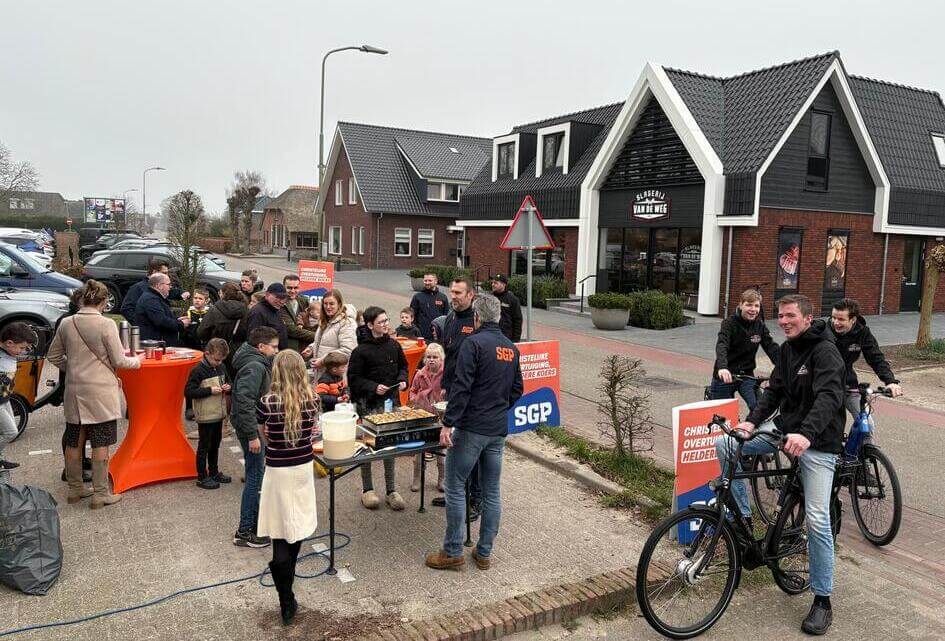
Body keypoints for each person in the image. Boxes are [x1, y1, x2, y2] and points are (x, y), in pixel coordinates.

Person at [720, 294, 845, 635]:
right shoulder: (788, 350)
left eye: (790, 315)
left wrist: (806, 434)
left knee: (817, 519)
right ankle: (743, 521)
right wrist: (751, 421)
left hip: (818, 441)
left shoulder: (825, 351)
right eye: (781, 315)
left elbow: (829, 397)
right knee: (727, 444)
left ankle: (822, 600)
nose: (784, 321)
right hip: (784, 429)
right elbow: (773, 393)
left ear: (808, 318)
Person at [425, 294, 523, 571]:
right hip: (497, 430)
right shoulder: (510, 348)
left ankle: (453, 551)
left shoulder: (473, 343)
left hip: (471, 428)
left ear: (477, 317)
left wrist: (448, 423)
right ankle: (484, 552)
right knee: (492, 491)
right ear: (499, 317)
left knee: (455, 486)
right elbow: (517, 389)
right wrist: (497, 408)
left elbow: (462, 387)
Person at [47, 280, 144, 507]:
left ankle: (75, 489)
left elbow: (53, 356)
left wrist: (73, 368)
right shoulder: (106, 324)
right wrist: (138, 361)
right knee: (101, 442)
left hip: (74, 389)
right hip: (100, 391)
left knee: (74, 440)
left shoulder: (67, 323)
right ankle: (100, 494)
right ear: (103, 301)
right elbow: (119, 360)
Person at [256, 350, 319, 626]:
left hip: (278, 470)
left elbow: (265, 436)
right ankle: (286, 586)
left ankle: (285, 595)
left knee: (280, 528)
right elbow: (313, 434)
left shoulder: (266, 403)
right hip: (302, 468)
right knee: (298, 526)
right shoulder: (313, 400)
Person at [346, 306, 408, 510]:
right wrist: (373, 387)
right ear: (370, 325)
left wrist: (403, 380)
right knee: (368, 447)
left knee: (390, 445)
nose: (386, 324)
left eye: (386, 320)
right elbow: (354, 379)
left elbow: (403, 366)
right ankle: (368, 490)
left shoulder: (394, 345)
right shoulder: (360, 351)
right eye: (381, 322)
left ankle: (391, 490)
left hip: (391, 403)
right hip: (369, 405)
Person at [433, 276, 479, 514]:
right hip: (452, 390)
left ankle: (474, 499)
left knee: (470, 449)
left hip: (470, 394)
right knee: (453, 444)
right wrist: (444, 384)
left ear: (471, 295)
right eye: (451, 292)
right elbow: (449, 355)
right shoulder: (450, 317)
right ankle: (455, 494)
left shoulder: (477, 321)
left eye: (458, 293)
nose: (453, 297)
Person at [231, 326, 280, 548]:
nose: (276, 351)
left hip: (252, 428)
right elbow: (245, 401)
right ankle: (245, 531)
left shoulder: (254, 361)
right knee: (255, 477)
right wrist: (253, 435)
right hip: (251, 430)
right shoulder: (255, 366)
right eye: (274, 347)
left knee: (256, 474)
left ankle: (256, 523)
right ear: (261, 347)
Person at [827, 298, 903, 417]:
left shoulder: (862, 332)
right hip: (824, 385)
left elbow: (876, 357)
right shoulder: (823, 332)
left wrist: (890, 381)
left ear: (853, 319)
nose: (836, 322)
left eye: (841, 319)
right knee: (826, 422)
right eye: (833, 317)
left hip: (848, 383)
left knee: (865, 421)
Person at [709, 288, 780, 410]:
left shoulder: (760, 326)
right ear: (741, 305)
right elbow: (722, 345)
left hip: (747, 375)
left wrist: (784, 366)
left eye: (756, 306)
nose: (753, 309)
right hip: (726, 375)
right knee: (723, 414)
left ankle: (749, 423)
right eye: (749, 305)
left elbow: (771, 347)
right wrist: (722, 367)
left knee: (759, 409)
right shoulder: (729, 323)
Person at [184, 338, 232, 490]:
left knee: (215, 444)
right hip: (205, 415)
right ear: (207, 354)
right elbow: (189, 391)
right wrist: (209, 390)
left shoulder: (221, 367)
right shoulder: (198, 370)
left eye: (221, 360)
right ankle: (202, 476)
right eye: (216, 360)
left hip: (218, 413)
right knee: (204, 445)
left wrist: (228, 386)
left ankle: (214, 471)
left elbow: (229, 381)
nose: (218, 363)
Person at [408, 342, 446, 493]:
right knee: (419, 449)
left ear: (441, 359)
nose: (431, 360)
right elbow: (412, 391)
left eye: (435, 357)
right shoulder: (420, 374)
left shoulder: (446, 374)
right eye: (429, 357)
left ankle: (442, 479)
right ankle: (417, 478)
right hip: (422, 415)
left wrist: (445, 394)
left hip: (440, 415)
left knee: (441, 449)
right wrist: (417, 398)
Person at [0, 322, 37, 471]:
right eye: (21, 348)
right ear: (9, 343)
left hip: (5, 399)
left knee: (7, 430)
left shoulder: (9, 353)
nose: (23, 352)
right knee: (11, 432)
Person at [197, 282, 248, 378]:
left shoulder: (215, 309)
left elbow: (201, 332)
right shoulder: (246, 310)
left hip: (216, 350)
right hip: (237, 351)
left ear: (223, 294)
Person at [305, 289, 357, 380]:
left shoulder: (347, 323)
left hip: (336, 377)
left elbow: (347, 350)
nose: (328, 307)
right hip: (322, 374)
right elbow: (326, 341)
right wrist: (312, 348)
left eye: (332, 304)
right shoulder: (326, 321)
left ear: (339, 304)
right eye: (325, 304)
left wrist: (322, 361)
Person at [120, 259, 189, 323]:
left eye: (167, 273)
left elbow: (170, 292)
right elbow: (126, 309)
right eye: (164, 273)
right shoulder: (138, 288)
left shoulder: (160, 286)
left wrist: (181, 293)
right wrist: (142, 323)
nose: (167, 276)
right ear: (154, 272)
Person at [135, 272, 191, 347]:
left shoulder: (155, 297)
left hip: (158, 344)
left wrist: (177, 320)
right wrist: (181, 324)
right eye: (168, 284)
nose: (170, 287)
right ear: (159, 286)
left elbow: (161, 316)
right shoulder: (150, 299)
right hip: (154, 346)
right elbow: (161, 321)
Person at [245, 283, 289, 350]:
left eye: (283, 298)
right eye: (278, 297)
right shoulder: (258, 312)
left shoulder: (275, 310)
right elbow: (254, 341)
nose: (282, 301)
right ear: (267, 295)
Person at [279, 274, 315, 353]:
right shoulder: (280, 303)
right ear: (283, 287)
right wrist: (317, 336)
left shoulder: (304, 300)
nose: (292, 291)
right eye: (289, 288)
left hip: (304, 348)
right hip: (287, 348)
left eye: (296, 288)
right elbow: (291, 330)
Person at [409, 272, 449, 341]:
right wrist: (416, 332)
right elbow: (412, 317)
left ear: (436, 281)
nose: (427, 283)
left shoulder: (443, 297)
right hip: (422, 337)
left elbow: (446, 318)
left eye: (430, 280)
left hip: (439, 337)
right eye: (425, 280)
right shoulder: (417, 297)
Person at [490, 274, 523, 343]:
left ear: (503, 285)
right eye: (492, 282)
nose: (492, 284)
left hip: (506, 337)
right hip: (491, 336)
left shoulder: (512, 299)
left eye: (495, 283)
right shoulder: (489, 298)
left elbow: (518, 320)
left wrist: (516, 340)